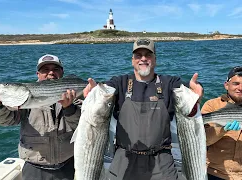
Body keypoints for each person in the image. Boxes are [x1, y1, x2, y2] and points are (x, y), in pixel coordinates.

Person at [83, 38, 204, 180]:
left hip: (162, 161)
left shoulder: (169, 83)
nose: (143, 59)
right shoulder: (120, 82)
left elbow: (189, 89)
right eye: (138, 55)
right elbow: (103, 90)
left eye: (148, 55)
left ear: (155, 59)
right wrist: (93, 93)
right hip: (124, 159)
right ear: (132, 60)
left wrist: (197, 91)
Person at [0, 54, 81, 180]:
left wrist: (69, 108)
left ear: (62, 72)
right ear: (38, 74)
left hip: (68, 164)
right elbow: (8, 120)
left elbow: (85, 125)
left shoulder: (75, 94)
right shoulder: (22, 99)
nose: (51, 73)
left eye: (55, 69)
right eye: (45, 70)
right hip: (34, 167)